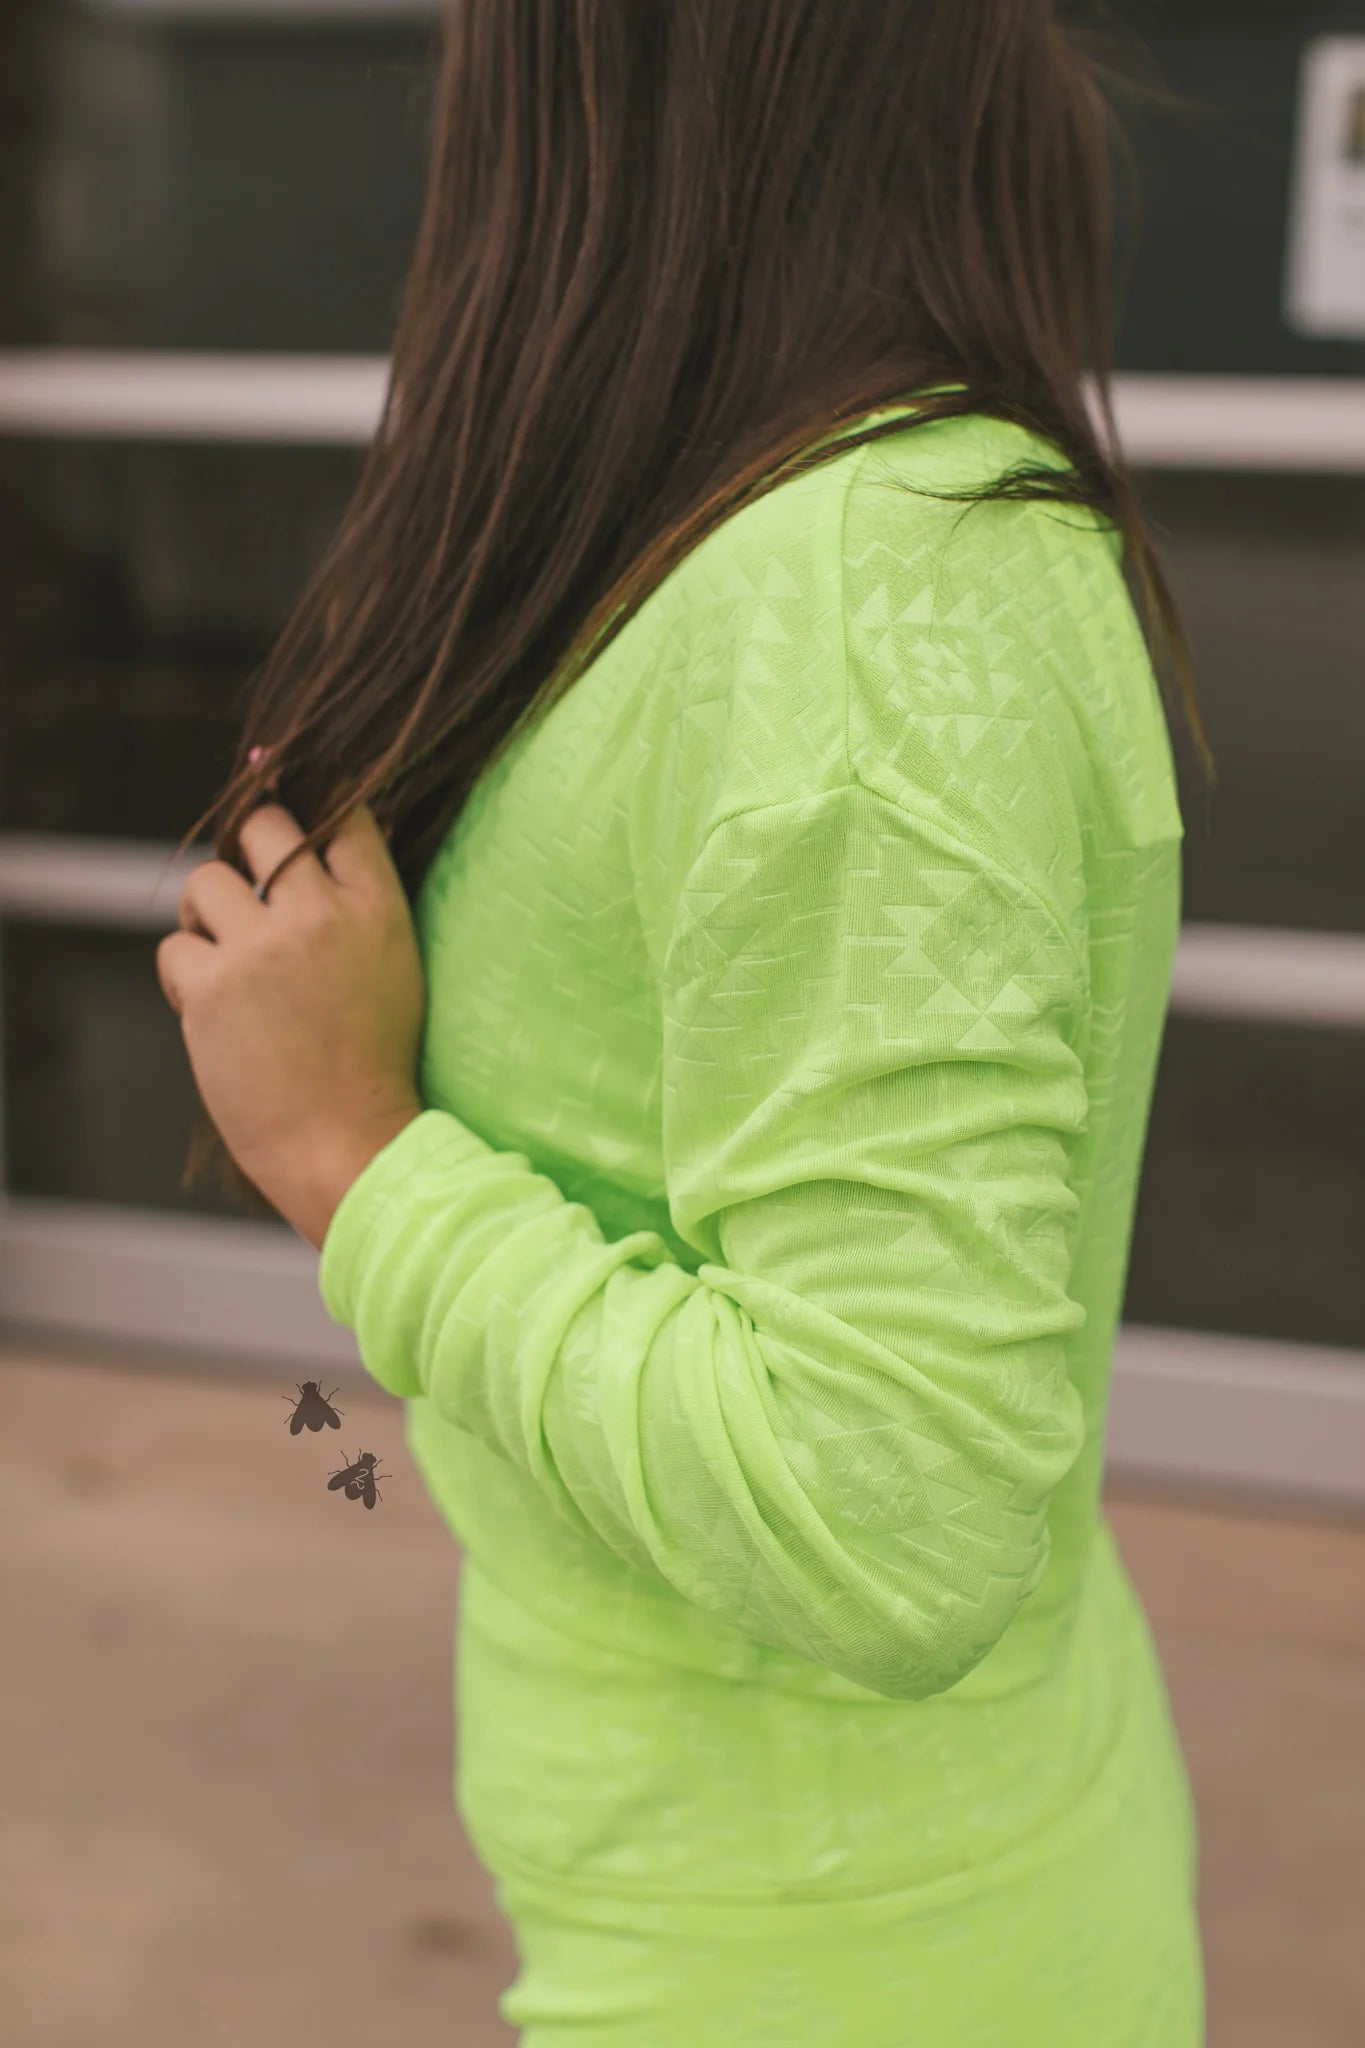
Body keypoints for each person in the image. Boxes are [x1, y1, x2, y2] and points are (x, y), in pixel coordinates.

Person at [160, 4, 1216, 2041]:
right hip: (769, 1896)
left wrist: (349, 1154)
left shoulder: (859, 599)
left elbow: (887, 1504)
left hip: (833, 1958)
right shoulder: (774, 536)